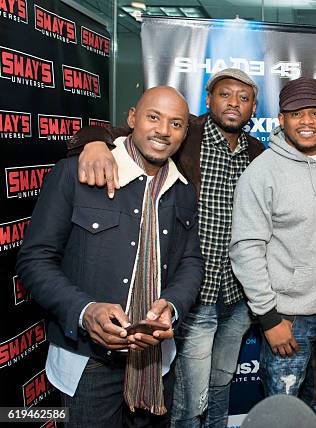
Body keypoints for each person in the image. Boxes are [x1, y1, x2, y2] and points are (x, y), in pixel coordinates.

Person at [68, 68, 262, 428]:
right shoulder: (185, 133)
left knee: (221, 383)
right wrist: (92, 142)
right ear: (208, 101)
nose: (234, 103)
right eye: (225, 94)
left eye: (244, 97)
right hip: (193, 294)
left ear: (253, 108)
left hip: (237, 294)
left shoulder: (256, 151)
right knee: (189, 397)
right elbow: (115, 133)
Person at [16, 86, 204, 427]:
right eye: (153, 117)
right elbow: (34, 260)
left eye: (176, 123)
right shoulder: (78, 173)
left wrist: (172, 305)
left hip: (156, 363)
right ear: (132, 118)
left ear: (184, 133)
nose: (163, 130)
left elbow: (191, 262)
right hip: (88, 363)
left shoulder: (184, 190)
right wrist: (84, 311)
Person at [229, 77, 316, 422]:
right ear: (281, 119)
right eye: (296, 114)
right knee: (282, 415)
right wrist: (269, 318)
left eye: (315, 113)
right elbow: (246, 249)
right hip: (288, 318)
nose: (307, 122)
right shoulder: (261, 173)